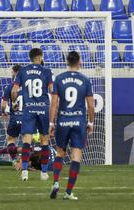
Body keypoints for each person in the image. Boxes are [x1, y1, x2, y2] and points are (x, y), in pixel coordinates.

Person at [49, 51, 94, 200]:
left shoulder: (59, 79)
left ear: (67, 62)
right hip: (78, 122)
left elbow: (54, 104)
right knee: (76, 157)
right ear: (79, 62)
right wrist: (91, 122)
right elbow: (90, 106)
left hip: (63, 121)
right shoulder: (85, 80)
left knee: (60, 153)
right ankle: (68, 192)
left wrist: (51, 123)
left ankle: (55, 182)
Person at [11, 48, 54, 181]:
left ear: (30, 58)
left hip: (28, 109)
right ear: (40, 57)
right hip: (43, 109)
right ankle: (44, 173)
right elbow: (52, 90)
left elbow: (14, 91)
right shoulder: (46, 71)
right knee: (44, 141)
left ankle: (24, 172)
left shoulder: (23, 71)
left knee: (26, 141)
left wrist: (13, 102)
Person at [0, 65, 22, 160]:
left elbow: (3, 105)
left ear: (15, 73)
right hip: (28, 118)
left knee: (11, 139)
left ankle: (15, 160)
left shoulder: (10, 87)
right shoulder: (29, 87)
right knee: (27, 141)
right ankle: (26, 162)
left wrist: (3, 112)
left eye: (12, 72)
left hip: (15, 118)